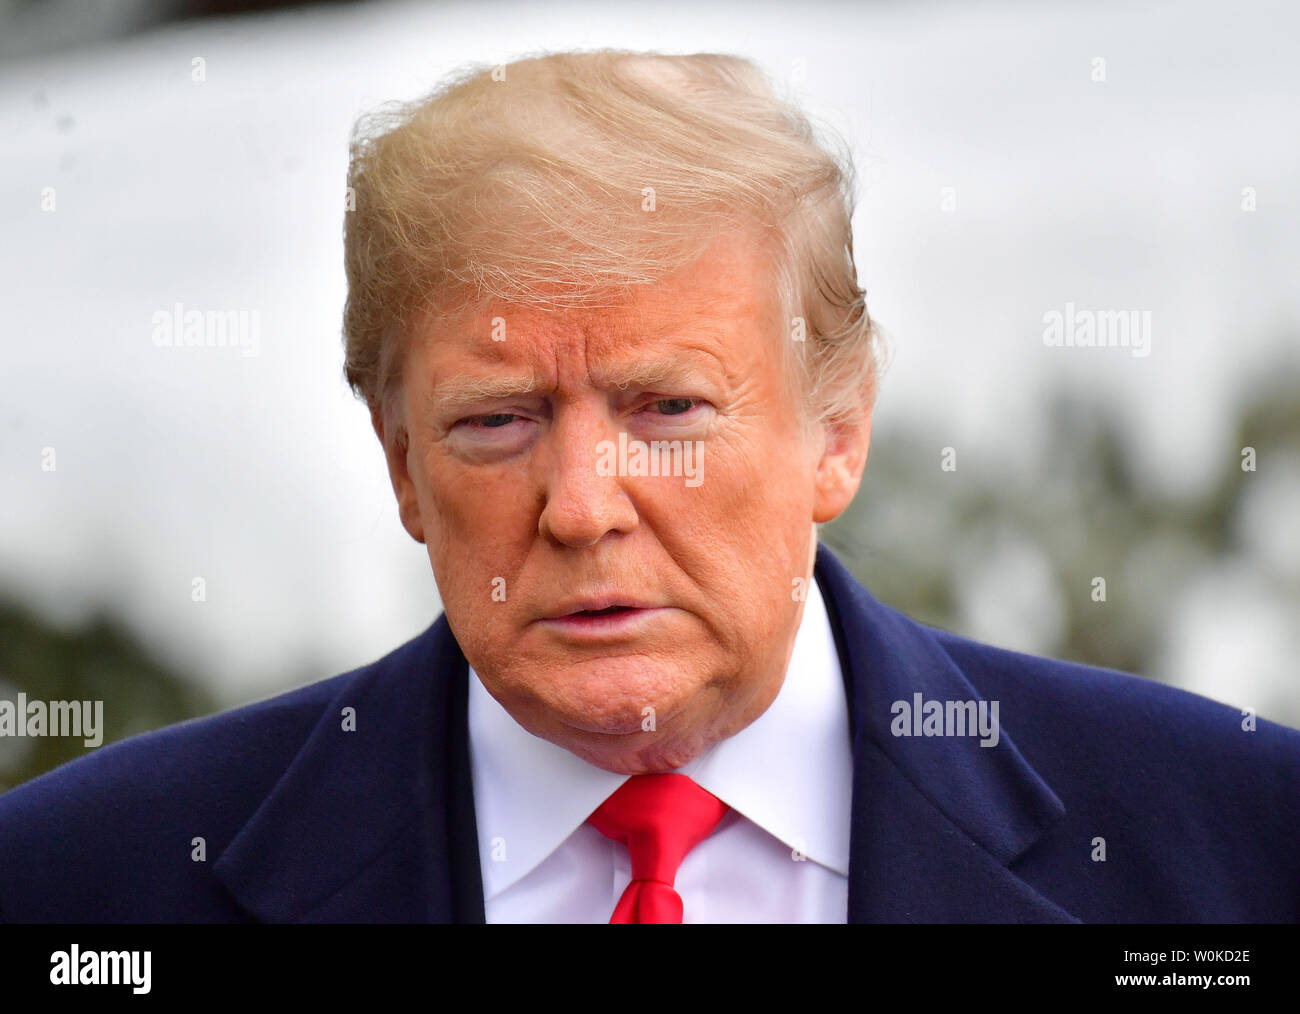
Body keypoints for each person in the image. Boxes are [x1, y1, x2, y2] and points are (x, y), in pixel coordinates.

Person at [1, 50, 1297, 924]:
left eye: (668, 408)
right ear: (401, 463)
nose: (580, 504)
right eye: (498, 421)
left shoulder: (1239, 845)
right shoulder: (78, 885)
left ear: (836, 431)